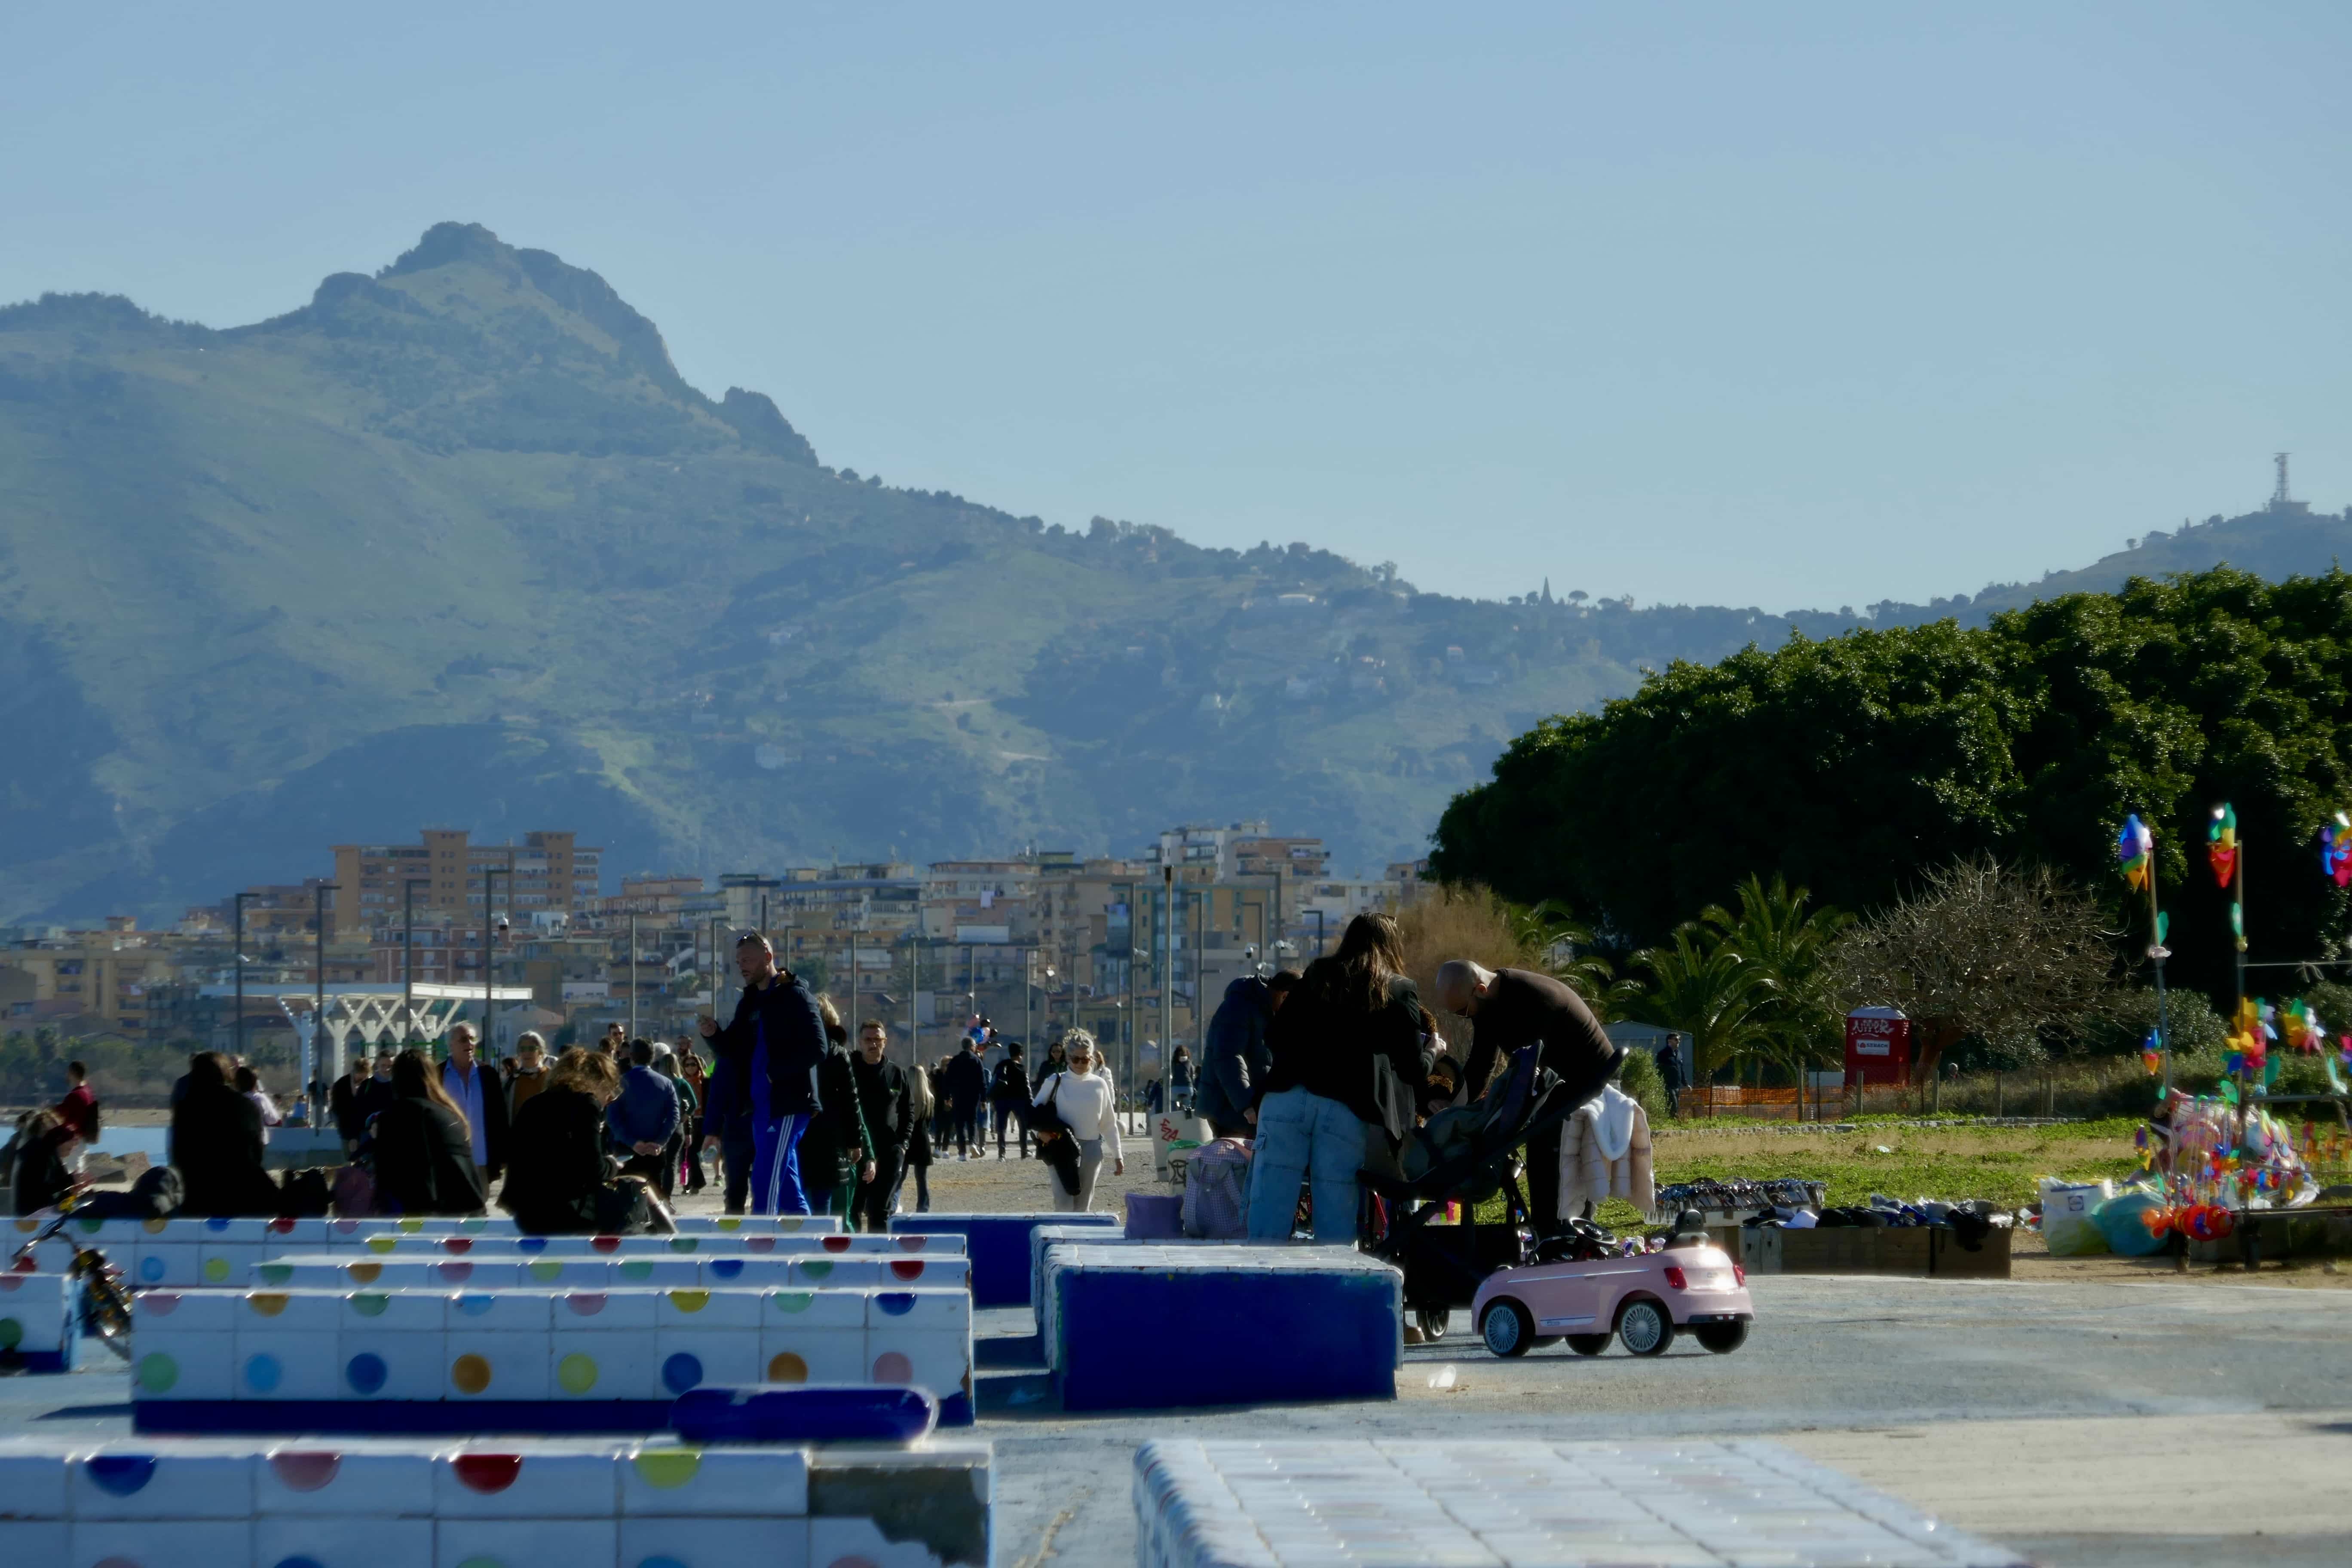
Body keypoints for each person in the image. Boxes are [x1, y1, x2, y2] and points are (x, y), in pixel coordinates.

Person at [1247, 913, 1427, 1244]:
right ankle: (1333, 1292)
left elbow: (1276, 1035)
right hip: (1344, 1108)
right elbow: (1413, 1070)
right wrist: (1435, 1052)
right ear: (1392, 945)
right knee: (1336, 1223)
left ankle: (1261, 1290)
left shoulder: (1318, 973)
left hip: (1285, 1098)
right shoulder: (1400, 990)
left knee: (1267, 1214)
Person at [1433, 959, 1624, 1236]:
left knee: (1544, 1139)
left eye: (1463, 1011)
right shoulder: (1488, 1003)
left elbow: (1532, 1068)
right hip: (1557, 1077)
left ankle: (1561, 1231)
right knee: (1533, 1135)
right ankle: (1549, 1230)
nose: (1465, 1017)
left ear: (1481, 990)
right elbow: (1481, 1064)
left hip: (1588, 1076)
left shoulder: (1531, 999)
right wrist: (1455, 1107)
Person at [698, 932, 829, 1215]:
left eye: (748, 959)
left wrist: (774, 1075)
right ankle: (806, 1242)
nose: (742, 966)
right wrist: (714, 1035)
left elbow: (819, 1048)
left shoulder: (795, 995)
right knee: (786, 1183)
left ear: (768, 957)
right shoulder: (749, 1002)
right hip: (759, 1107)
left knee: (765, 1178)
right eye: (738, 961)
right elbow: (732, 1049)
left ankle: (759, 1244)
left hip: (787, 1103)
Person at [502, 1048, 668, 1234]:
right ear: (598, 1082)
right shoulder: (586, 1103)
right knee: (637, 1186)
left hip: (527, 1215)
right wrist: (613, 1165)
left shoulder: (533, 1104)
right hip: (566, 1213)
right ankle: (675, 1246)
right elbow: (593, 1169)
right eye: (610, 1089)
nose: (611, 1098)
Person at [371, 1048, 487, 1215]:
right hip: (467, 1211)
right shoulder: (451, 1115)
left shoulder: (394, 1117)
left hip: (423, 1218)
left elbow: (387, 1178)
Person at [171, 1052, 276, 1216]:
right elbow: (257, 1152)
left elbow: (178, 1155)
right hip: (243, 1194)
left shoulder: (185, 1108)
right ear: (226, 1073)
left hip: (199, 1196)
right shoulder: (245, 1105)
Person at [798, 1000, 876, 1219]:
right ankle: (821, 1247)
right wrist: (855, 1143)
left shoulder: (798, 1049)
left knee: (799, 1194)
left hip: (800, 1130)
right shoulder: (839, 1054)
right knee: (824, 1201)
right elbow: (850, 1101)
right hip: (830, 1137)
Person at [1032, 1028, 1124, 1211]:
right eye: (1076, 1059)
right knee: (1063, 1204)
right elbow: (1033, 1115)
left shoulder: (1100, 1084)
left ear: (1092, 1058)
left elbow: (1108, 1123)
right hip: (1061, 1148)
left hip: (1091, 1149)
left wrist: (1118, 1155)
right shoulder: (1055, 1081)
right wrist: (1040, 1133)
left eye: (1085, 1059)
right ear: (1068, 1058)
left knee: (1083, 1206)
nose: (1080, 1063)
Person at [848, 1020, 913, 1231]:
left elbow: (908, 1111)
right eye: (868, 1039)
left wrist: (903, 1145)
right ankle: (854, 1258)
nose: (873, 1044)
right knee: (852, 1210)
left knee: (880, 1212)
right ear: (860, 1041)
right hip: (855, 1150)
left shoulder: (896, 1073)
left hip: (889, 1152)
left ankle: (878, 1257)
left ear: (885, 1042)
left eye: (878, 1039)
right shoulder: (848, 1069)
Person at [438, 1023, 511, 1196]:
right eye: (464, 1040)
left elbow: (499, 1116)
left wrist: (503, 1154)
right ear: (451, 1045)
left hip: (481, 1158)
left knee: (479, 1215)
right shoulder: (437, 1075)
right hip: (447, 1160)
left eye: (472, 1039)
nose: (469, 1044)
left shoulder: (488, 1074)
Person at [608, 1039, 684, 1197]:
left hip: (626, 1150)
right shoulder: (666, 1083)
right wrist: (660, 1142)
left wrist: (633, 1142)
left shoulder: (620, 1083)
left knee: (626, 1198)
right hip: (655, 1150)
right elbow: (674, 1116)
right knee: (655, 1198)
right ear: (653, 1057)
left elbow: (613, 1118)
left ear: (631, 1056)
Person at [10, 1109, 77, 1215]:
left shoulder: (49, 1154)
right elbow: (38, 1192)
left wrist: (72, 1192)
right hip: (32, 1219)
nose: (58, 1137)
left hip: (41, 1216)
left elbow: (56, 1196)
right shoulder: (35, 1152)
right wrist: (71, 1180)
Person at [899, 1047, 935, 1213]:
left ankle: (893, 1203)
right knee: (922, 1179)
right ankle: (923, 1207)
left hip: (907, 1138)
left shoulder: (905, 1096)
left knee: (900, 1176)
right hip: (923, 1140)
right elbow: (929, 1120)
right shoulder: (929, 1099)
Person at [673, 1040, 709, 1194]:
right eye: (688, 1065)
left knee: (693, 1151)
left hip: (702, 1121)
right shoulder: (682, 1083)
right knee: (685, 1154)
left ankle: (698, 1182)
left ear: (699, 1066)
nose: (691, 1068)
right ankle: (688, 1185)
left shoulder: (706, 1082)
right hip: (687, 1121)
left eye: (693, 1065)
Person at [942, 1037, 986, 1159]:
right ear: (972, 1047)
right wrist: (983, 1100)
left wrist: (947, 1096)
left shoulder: (955, 1060)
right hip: (973, 1097)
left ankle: (962, 1154)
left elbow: (947, 1080)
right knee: (972, 1121)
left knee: (960, 1124)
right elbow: (982, 1082)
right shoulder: (977, 1060)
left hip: (958, 1096)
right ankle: (973, 1143)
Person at [53, 1060, 99, 1175]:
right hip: (82, 1138)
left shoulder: (76, 1095)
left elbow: (61, 1114)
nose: (67, 1076)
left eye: (68, 1073)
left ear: (72, 1073)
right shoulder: (88, 1092)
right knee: (79, 1168)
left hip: (73, 1140)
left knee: (71, 1171)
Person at [989, 1043, 1031, 1159]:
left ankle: (1001, 1154)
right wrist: (1030, 1101)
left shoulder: (1001, 1065)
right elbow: (1027, 1088)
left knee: (1001, 1127)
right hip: (1018, 1101)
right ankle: (1024, 1151)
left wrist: (993, 1099)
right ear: (1021, 1054)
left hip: (1001, 1101)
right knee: (1022, 1126)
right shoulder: (1021, 1068)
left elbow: (994, 1082)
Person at [330, 1057, 371, 1155]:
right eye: (360, 1079)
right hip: (347, 1130)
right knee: (349, 1159)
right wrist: (352, 1136)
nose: (363, 1082)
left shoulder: (369, 1085)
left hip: (365, 1131)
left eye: (365, 1079)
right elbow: (340, 1112)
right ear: (354, 1072)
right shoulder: (341, 1086)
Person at [234, 1064, 282, 1142]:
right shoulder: (260, 1099)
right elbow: (273, 1120)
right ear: (255, 1082)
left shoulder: (232, 1099)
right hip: (257, 1141)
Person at [508, 1033, 552, 1117]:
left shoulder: (552, 1077)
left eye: (531, 1049)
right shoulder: (511, 1082)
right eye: (523, 1049)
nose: (527, 1053)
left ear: (540, 1052)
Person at [1656, 1032, 1687, 1118]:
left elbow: (1681, 1069)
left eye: (1679, 1040)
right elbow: (1659, 1069)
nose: (1679, 1042)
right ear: (1670, 1041)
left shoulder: (1679, 1054)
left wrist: (1685, 1083)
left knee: (1676, 1104)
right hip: (1667, 1084)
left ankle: (1672, 1119)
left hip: (1677, 1084)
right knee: (1673, 1103)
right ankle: (1670, 1119)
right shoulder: (1663, 1054)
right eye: (1676, 1040)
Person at [1167, 1043, 1195, 1113]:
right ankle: (1187, 1113)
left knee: (1173, 1103)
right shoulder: (1190, 1063)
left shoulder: (1173, 1063)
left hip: (1175, 1088)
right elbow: (1192, 1076)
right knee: (1188, 1104)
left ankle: (1174, 1115)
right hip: (1188, 1088)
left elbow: (1173, 1073)